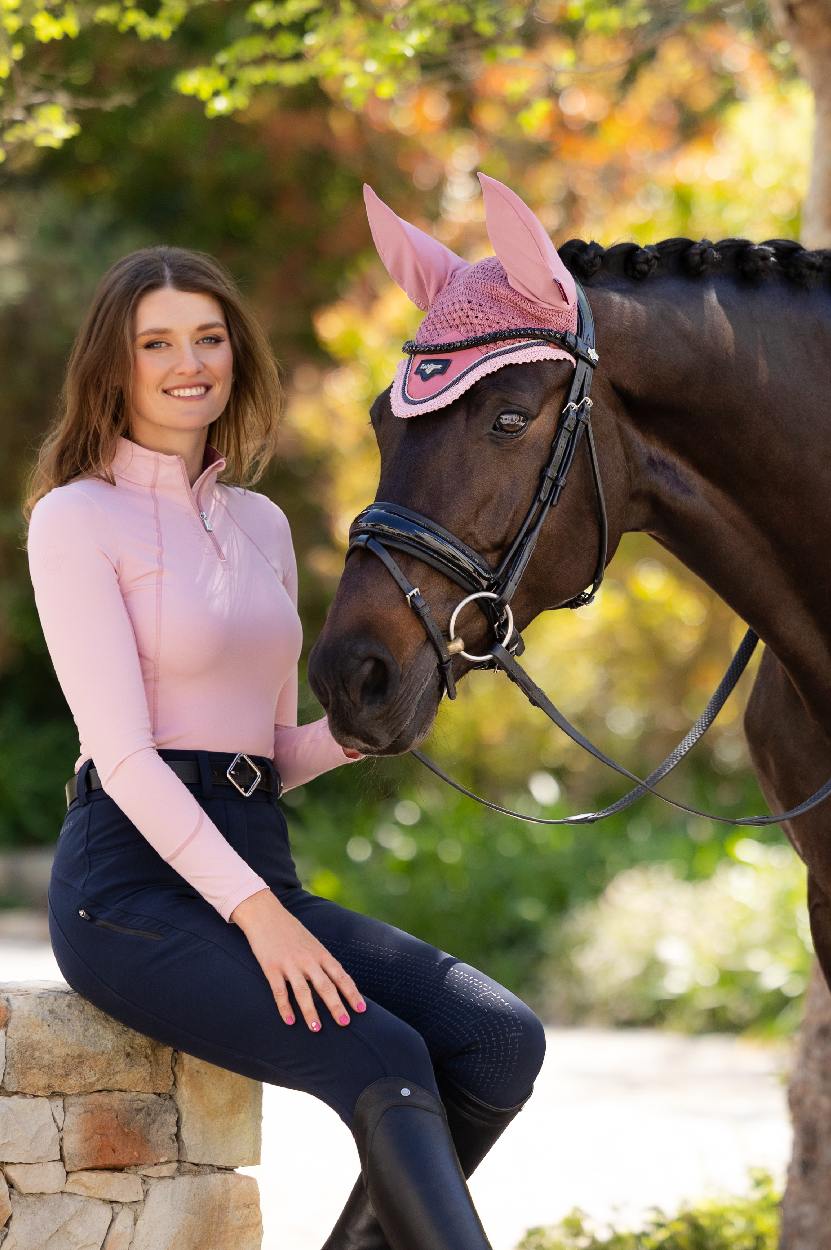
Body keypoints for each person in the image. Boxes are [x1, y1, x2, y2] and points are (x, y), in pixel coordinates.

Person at [22, 245, 545, 1250]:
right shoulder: (76, 518)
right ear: (114, 365)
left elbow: (260, 752)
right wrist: (260, 918)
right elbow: (126, 756)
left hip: (253, 865)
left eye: (209, 337)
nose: (190, 362)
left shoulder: (257, 523)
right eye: (158, 342)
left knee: (495, 1037)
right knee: (382, 1054)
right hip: (128, 893)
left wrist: (377, 722)